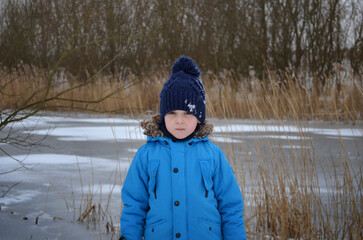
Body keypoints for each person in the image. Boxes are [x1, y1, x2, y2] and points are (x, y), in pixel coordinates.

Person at [120, 56, 246, 240]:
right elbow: (134, 205)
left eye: (188, 113)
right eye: (172, 113)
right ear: (163, 116)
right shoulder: (146, 155)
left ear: (199, 117)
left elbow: (230, 205)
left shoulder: (213, 155)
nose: (180, 120)